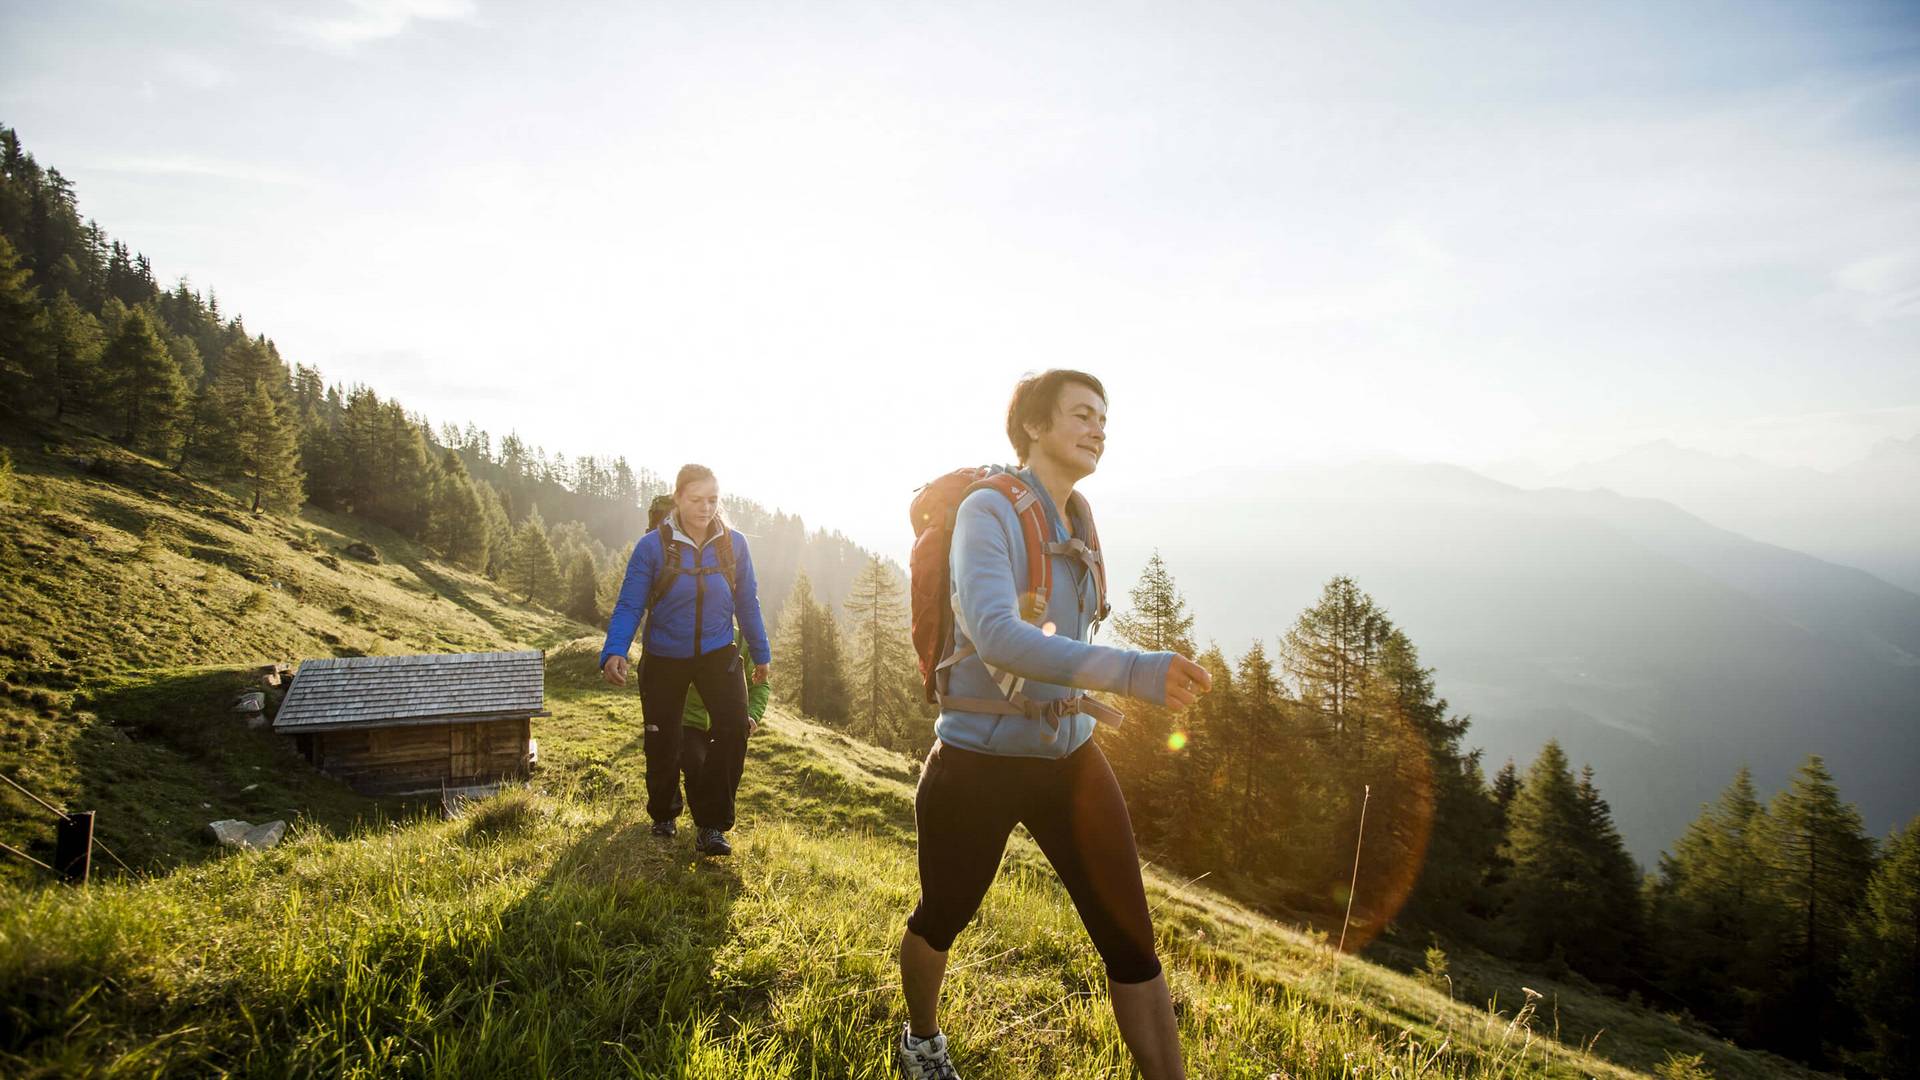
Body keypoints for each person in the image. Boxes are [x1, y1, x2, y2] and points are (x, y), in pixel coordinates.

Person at [895, 370, 1212, 1080]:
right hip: (976, 762)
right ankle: (921, 1040)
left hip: (1070, 760)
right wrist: (1134, 672)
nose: (1099, 427)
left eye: (1104, 416)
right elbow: (999, 636)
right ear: (1034, 427)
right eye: (1081, 413)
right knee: (942, 914)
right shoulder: (988, 511)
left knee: (1133, 941)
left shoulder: (1079, 520)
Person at [601, 465, 772, 857]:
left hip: (717, 652)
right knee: (663, 738)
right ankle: (663, 814)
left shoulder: (734, 545)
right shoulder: (652, 547)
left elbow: (748, 602)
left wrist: (761, 655)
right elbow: (631, 603)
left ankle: (712, 825)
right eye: (696, 500)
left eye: (713, 500)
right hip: (665, 655)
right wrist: (615, 650)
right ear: (678, 498)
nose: (706, 508)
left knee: (732, 729)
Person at [665, 623, 771, 821]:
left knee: (725, 771)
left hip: (726, 722)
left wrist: (752, 715)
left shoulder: (742, 641)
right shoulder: (686, 633)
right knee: (695, 765)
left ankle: (710, 825)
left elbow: (761, 685)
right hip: (689, 721)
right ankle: (700, 824)